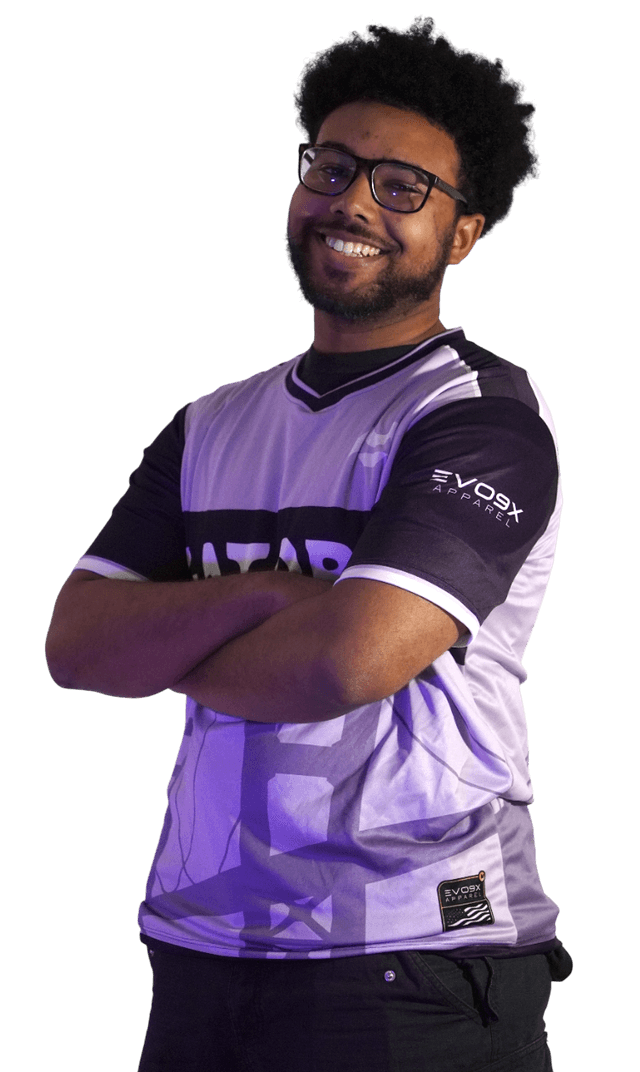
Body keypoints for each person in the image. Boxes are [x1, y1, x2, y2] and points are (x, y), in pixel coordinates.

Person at [45, 16, 573, 1071]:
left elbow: (346, 661)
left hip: (416, 955)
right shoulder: (208, 425)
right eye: (332, 168)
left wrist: (168, 650)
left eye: (402, 186)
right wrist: (268, 596)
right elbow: (75, 647)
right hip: (201, 946)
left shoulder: (481, 415)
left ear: (462, 234)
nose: (354, 203)